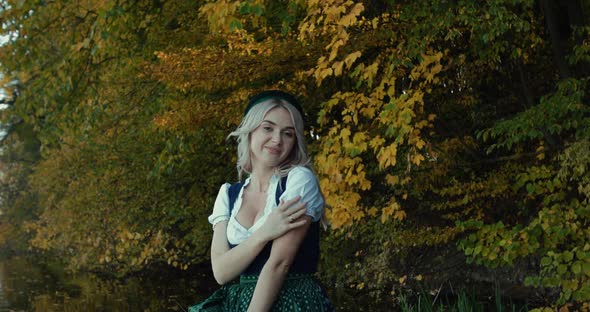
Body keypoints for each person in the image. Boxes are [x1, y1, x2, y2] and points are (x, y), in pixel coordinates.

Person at [189, 90, 333, 311]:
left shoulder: (298, 181)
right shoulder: (228, 195)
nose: (277, 139)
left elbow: (279, 265)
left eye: (288, 133)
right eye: (268, 128)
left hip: (290, 301)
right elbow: (221, 272)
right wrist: (265, 232)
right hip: (237, 303)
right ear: (250, 130)